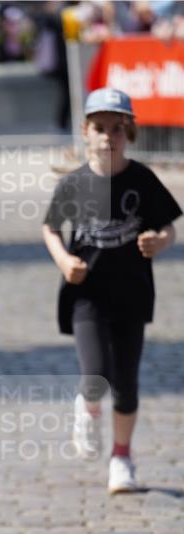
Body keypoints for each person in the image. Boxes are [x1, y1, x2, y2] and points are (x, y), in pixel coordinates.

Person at [42, 88, 181, 494]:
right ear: (85, 131)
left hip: (133, 294)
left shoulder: (142, 179)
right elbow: (50, 227)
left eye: (117, 129)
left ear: (129, 132)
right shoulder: (75, 184)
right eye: (99, 128)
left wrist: (160, 241)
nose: (108, 136)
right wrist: (65, 261)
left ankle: (122, 457)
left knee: (127, 382)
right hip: (87, 294)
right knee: (95, 375)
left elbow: (169, 224)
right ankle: (86, 406)